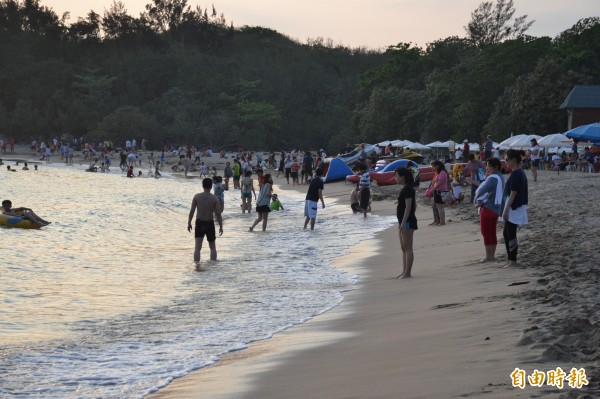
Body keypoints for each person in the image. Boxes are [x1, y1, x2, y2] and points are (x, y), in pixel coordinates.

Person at [474, 158, 504, 263]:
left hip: (488, 208)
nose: (486, 168)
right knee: (492, 232)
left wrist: (477, 200)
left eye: (488, 166)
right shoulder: (500, 177)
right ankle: (492, 255)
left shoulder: (492, 178)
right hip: (496, 209)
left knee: (486, 232)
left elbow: (481, 190)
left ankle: (488, 256)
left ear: (495, 167)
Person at [502, 150, 528, 268]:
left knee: (511, 234)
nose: (506, 162)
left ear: (514, 160)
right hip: (512, 206)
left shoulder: (517, 173)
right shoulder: (516, 172)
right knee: (507, 233)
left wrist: (506, 209)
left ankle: (513, 260)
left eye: (507, 159)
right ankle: (510, 259)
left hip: (513, 207)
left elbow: (513, 193)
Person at [188, 178, 223, 265]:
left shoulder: (197, 197)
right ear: (211, 186)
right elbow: (218, 214)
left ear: (202, 185)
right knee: (212, 247)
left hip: (199, 223)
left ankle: (197, 266)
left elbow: (192, 211)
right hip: (209, 223)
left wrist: (189, 223)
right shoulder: (214, 198)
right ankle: (213, 266)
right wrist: (221, 226)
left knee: (197, 248)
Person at [394, 167, 417, 279]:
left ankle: (408, 273)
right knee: (403, 248)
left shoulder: (408, 189)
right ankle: (404, 271)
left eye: (397, 176)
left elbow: (409, 207)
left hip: (407, 222)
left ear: (403, 177)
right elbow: (414, 206)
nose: (395, 178)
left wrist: (403, 222)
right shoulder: (405, 188)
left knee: (408, 247)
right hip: (403, 222)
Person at [430, 161, 448, 226]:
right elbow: (435, 182)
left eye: (434, 166)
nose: (433, 168)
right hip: (437, 191)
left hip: (440, 191)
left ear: (438, 166)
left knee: (439, 207)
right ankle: (437, 221)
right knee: (435, 206)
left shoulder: (442, 172)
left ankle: (442, 221)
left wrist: (433, 189)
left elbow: (440, 182)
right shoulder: (438, 173)